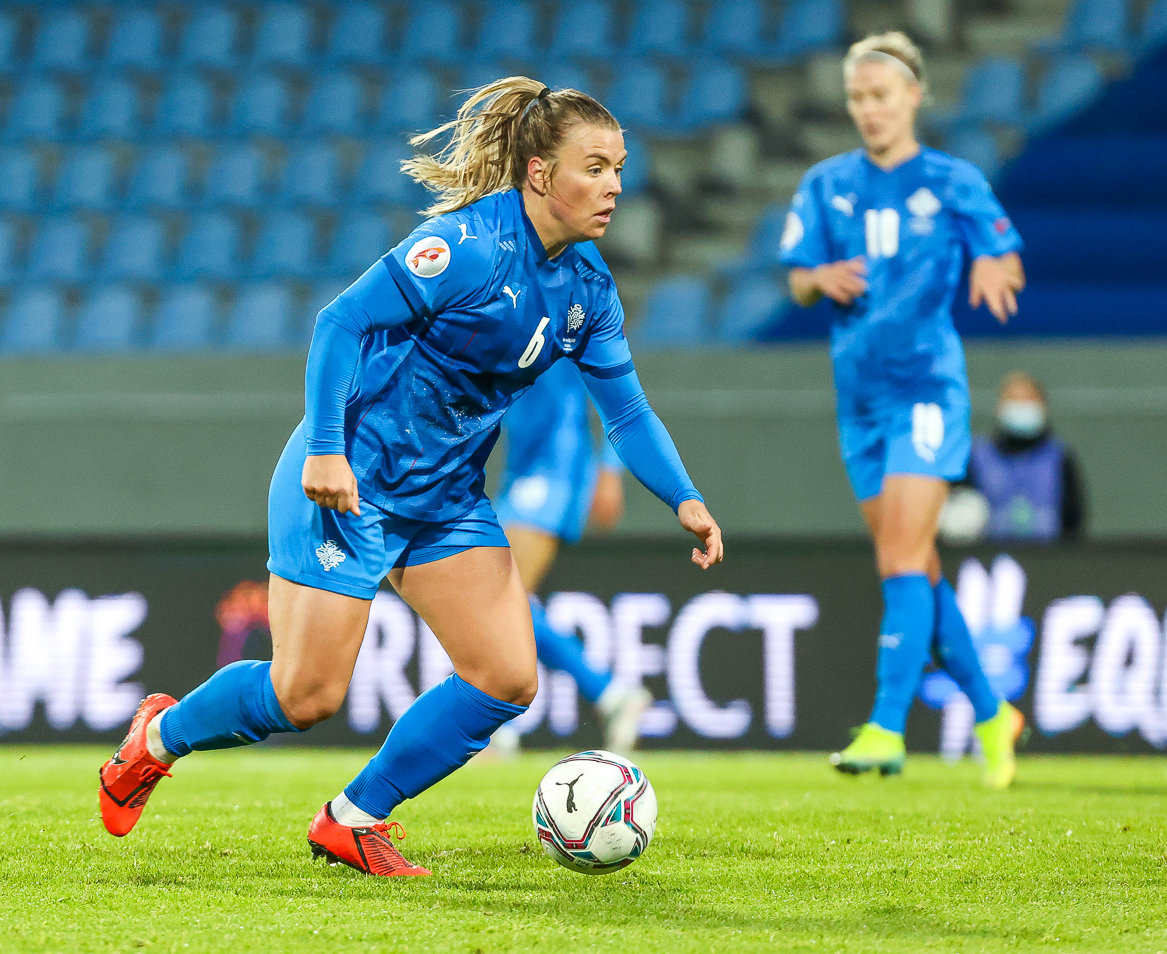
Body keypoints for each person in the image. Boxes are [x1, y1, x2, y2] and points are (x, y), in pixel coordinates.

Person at [97, 77, 723, 877]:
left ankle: (353, 818)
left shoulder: (589, 288)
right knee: (305, 697)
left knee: (506, 676)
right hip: (351, 480)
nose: (614, 188)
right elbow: (341, 322)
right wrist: (327, 449)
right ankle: (157, 739)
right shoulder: (468, 246)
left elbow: (628, 413)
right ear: (540, 174)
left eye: (619, 170)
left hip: (446, 498)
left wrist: (685, 497)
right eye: (594, 168)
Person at [780, 32, 1026, 787]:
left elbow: (1006, 254)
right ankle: (994, 713)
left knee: (899, 558)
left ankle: (887, 727)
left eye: (880, 95)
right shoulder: (826, 184)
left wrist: (993, 263)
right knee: (914, 562)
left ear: (914, 96)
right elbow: (796, 280)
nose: (869, 110)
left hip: (926, 392)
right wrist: (820, 277)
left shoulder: (953, 180)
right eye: (857, 97)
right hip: (859, 402)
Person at [489, 359, 652, 757]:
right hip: (522, 465)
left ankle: (499, 727)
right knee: (504, 600)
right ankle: (610, 694)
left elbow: (612, 381)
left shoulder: (563, 318)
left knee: (500, 595)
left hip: (556, 466)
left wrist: (609, 469)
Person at [953, 371, 1085, 542]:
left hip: (1048, 553)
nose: (1021, 406)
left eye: (1028, 399)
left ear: (1043, 406)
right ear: (999, 406)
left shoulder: (1060, 458)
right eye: (1013, 399)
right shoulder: (976, 457)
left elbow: (1074, 520)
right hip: (990, 554)